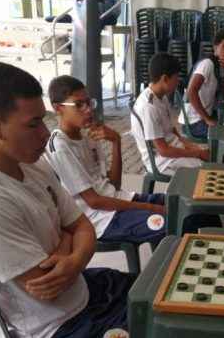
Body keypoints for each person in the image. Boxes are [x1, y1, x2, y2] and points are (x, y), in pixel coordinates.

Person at [0, 62, 197, 338]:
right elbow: (45, 286)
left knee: (169, 301)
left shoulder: (33, 165)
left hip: (83, 291)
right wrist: (71, 241)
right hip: (54, 332)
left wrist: (69, 251)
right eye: (32, 124)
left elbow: (83, 226)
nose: (45, 133)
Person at [45, 75, 169, 248]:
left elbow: (114, 185)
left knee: (178, 204)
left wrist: (116, 142)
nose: (88, 110)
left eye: (89, 102)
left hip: (117, 201)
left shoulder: (90, 134)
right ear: (58, 109)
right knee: (173, 222)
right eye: (79, 105)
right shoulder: (60, 146)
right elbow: (94, 201)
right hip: (100, 219)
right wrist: (150, 208)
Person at [131, 52, 209, 176]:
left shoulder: (162, 97)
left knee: (209, 156)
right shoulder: (148, 107)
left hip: (172, 149)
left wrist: (189, 144)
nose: (178, 81)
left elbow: (171, 129)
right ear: (165, 79)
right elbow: (164, 151)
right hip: (161, 161)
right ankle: (183, 193)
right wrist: (197, 153)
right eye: (176, 77)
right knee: (205, 169)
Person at [179, 28, 224, 139]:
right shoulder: (208, 63)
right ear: (215, 47)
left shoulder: (221, 66)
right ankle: (216, 156)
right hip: (193, 123)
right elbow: (191, 91)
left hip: (203, 119)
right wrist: (207, 119)